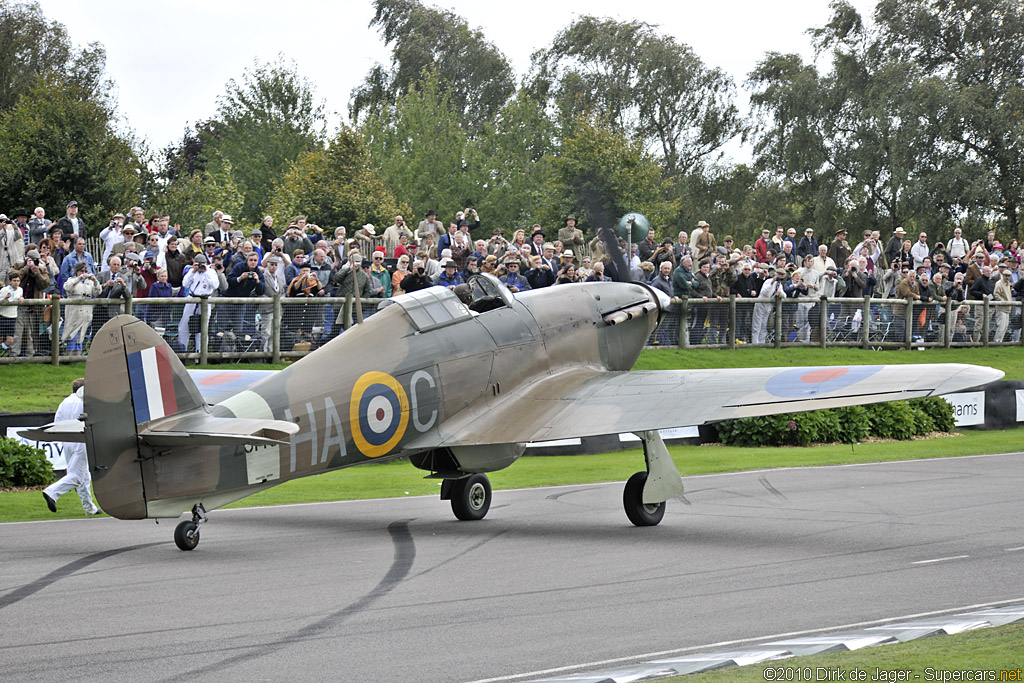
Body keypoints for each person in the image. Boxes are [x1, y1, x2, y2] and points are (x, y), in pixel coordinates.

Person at [42, 378, 101, 515]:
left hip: (67, 440)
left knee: (83, 475)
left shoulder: (64, 402)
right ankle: (52, 492)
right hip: (81, 439)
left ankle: (89, 508)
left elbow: (57, 422)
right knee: (78, 476)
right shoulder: (85, 401)